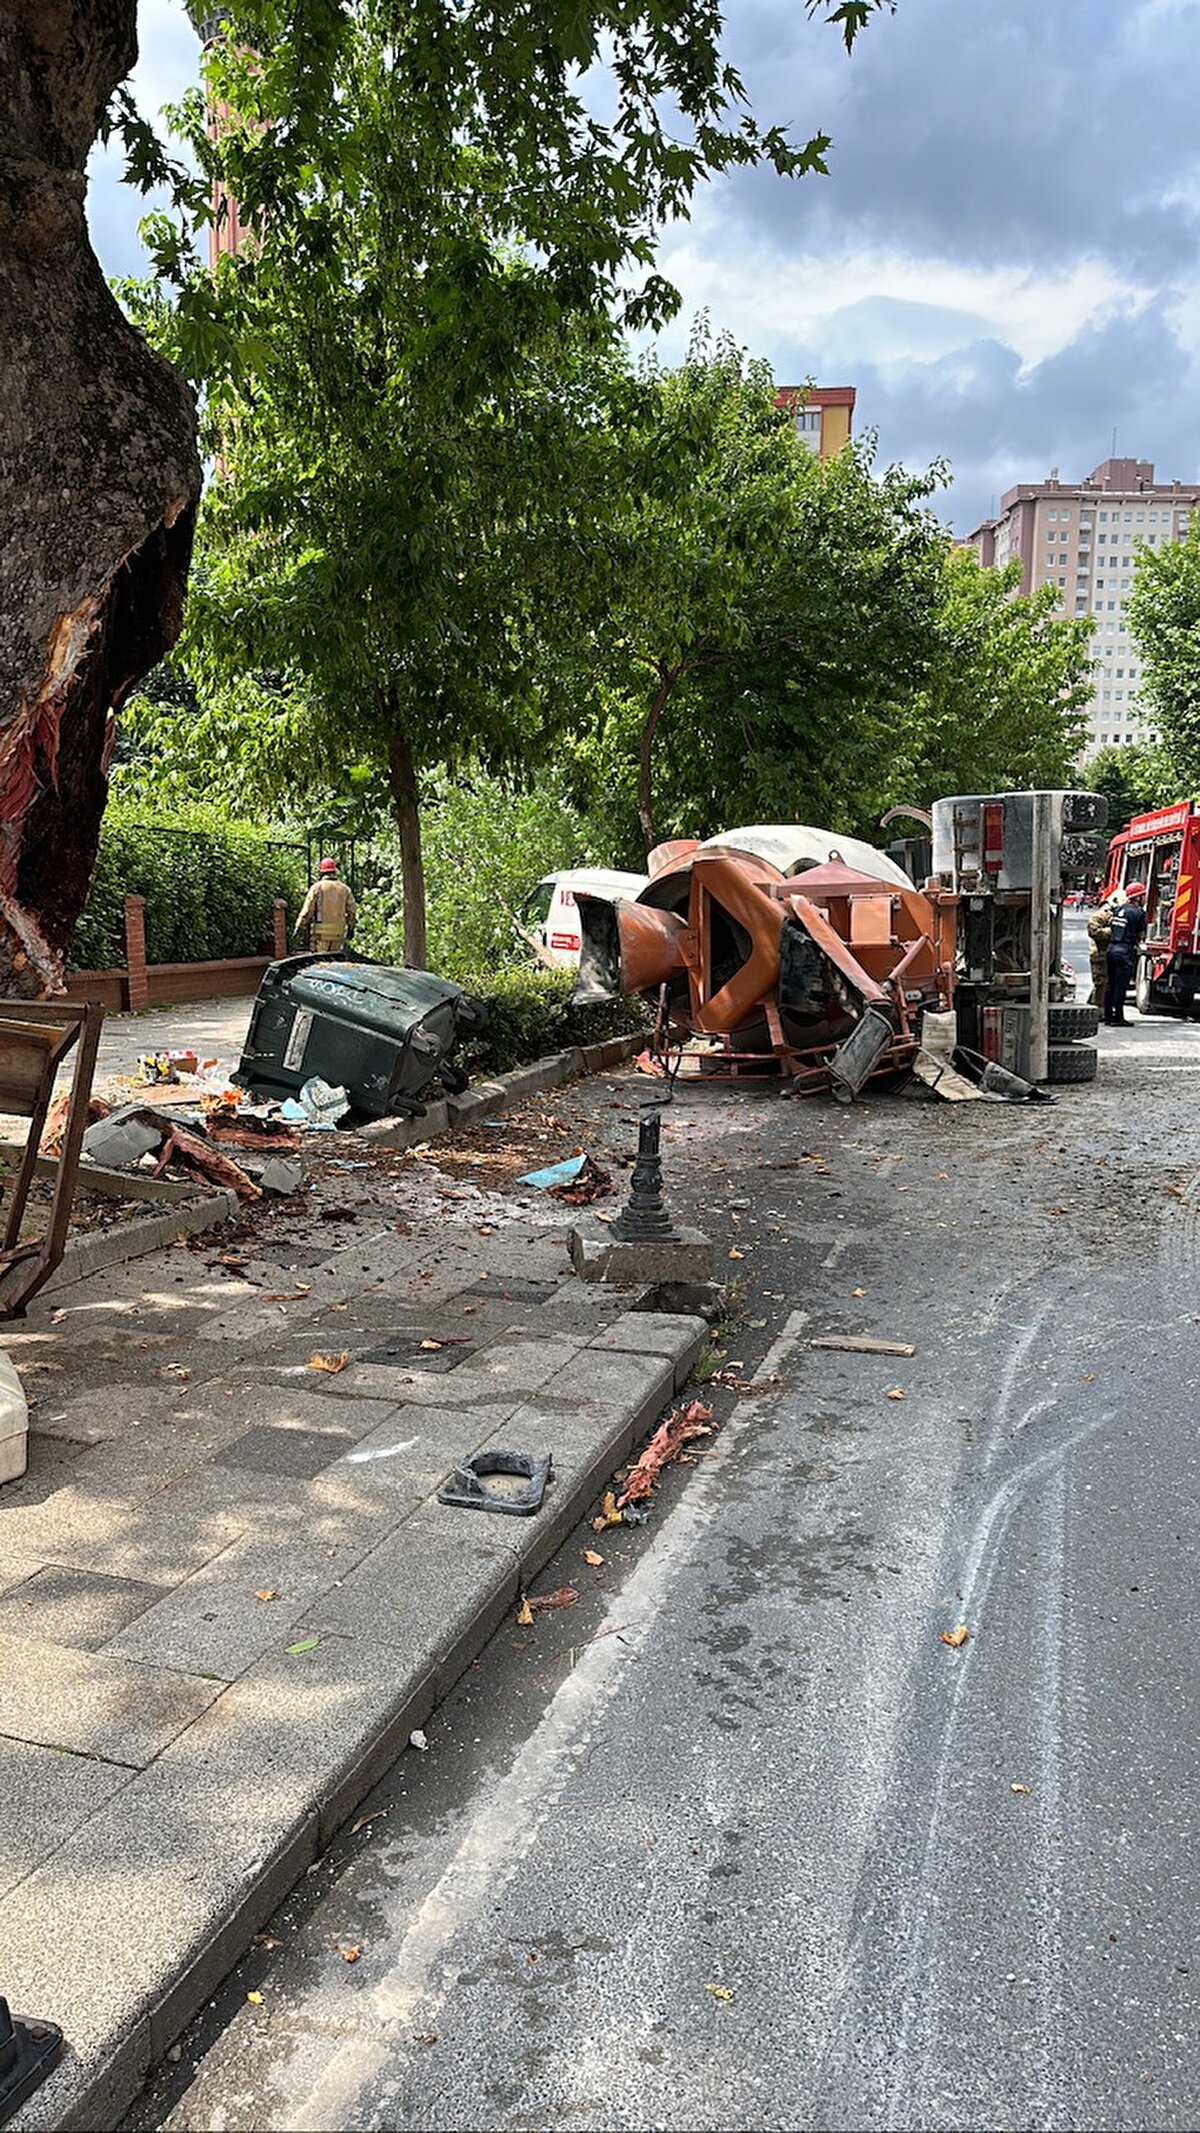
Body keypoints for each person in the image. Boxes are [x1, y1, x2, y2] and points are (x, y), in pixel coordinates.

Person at [1103, 881, 1147, 1026]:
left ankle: (1108, 1016)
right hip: (1125, 951)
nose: (1145, 898)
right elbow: (1141, 935)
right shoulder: (1139, 913)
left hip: (1111, 948)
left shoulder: (1118, 909)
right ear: (1137, 897)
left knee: (1111, 983)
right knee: (1121, 985)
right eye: (1143, 896)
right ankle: (1118, 1017)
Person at [295, 857, 357, 955]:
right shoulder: (345, 889)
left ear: (321, 872)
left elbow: (307, 911)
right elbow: (352, 911)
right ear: (334, 871)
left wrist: (299, 925)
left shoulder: (317, 888)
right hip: (338, 934)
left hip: (321, 936)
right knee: (335, 963)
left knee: (320, 963)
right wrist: (351, 927)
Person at [1087, 895, 1116, 1017]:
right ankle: (1096, 1009)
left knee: (1104, 982)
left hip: (1107, 952)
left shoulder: (1111, 915)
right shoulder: (1098, 916)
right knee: (1100, 982)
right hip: (1098, 954)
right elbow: (1093, 931)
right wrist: (1112, 931)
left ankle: (1094, 1007)